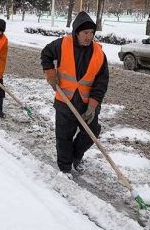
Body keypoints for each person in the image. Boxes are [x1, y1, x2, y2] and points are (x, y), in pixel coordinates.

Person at [41, 11, 109, 176]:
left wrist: (93, 106)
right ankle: (64, 168)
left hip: (87, 103)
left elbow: (102, 82)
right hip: (65, 100)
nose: (89, 37)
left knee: (91, 132)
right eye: (85, 33)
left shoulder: (99, 54)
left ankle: (76, 156)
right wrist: (51, 74)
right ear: (77, 32)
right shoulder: (62, 44)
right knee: (64, 136)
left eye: (92, 33)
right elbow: (46, 54)